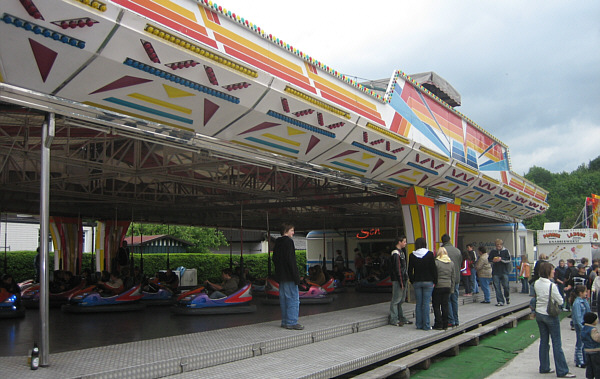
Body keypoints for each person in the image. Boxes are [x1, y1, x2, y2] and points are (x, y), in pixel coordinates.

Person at [534, 261, 575, 377]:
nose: (554, 272)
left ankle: (544, 367)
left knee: (544, 341)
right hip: (550, 315)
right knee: (557, 343)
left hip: (539, 313)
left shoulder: (537, 283)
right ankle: (562, 371)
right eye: (552, 270)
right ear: (548, 271)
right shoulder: (552, 285)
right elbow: (561, 301)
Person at [272, 223, 303, 330]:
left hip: (281, 276)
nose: (293, 233)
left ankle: (285, 321)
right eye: (292, 230)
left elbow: (274, 259)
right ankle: (292, 321)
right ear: (286, 230)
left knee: (284, 299)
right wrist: (296, 277)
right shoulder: (289, 242)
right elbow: (291, 261)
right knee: (293, 299)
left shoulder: (278, 242)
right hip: (289, 276)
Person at [408, 237, 437, 330]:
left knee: (419, 304)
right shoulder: (430, 254)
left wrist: (412, 280)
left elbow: (409, 271)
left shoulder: (412, 255)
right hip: (428, 282)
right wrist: (435, 281)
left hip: (417, 282)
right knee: (426, 304)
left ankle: (419, 324)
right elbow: (434, 269)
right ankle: (426, 325)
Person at [389, 236, 412, 327]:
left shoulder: (402, 252)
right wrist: (401, 281)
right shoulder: (395, 253)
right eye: (404, 241)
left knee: (401, 299)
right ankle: (394, 319)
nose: (405, 243)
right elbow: (397, 268)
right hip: (398, 279)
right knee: (396, 299)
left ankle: (401, 317)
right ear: (399, 242)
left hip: (403, 278)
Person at [432, 247, 456, 330]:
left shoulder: (436, 263)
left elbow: (434, 275)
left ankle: (438, 323)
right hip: (447, 286)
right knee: (445, 305)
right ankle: (445, 324)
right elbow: (453, 277)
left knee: (436, 305)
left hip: (438, 286)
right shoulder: (451, 263)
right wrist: (452, 288)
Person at [441, 234, 462, 327]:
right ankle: (456, 320)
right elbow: (460, 264)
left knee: (447, 300)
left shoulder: (442, 251)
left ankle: (451, 320)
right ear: (449, 240)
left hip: (446, 279)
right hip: (456, 278)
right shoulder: (457, 251)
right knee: (455, 300)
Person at [571, 284, 591, 368]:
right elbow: (578, 316)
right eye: (585, 292)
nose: (586, 293)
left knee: (584, 343)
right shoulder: (577, 303)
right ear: (580, 293)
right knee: (580, 343)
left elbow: (588, 311)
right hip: (580, 325)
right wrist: (581, 327)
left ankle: (584, 359)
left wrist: (586, 300)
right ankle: (579, 361)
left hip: (584, 324)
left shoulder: (583, 301)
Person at [488, 239, 512, 306]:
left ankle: (507, 296)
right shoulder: (493, 251)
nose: (498, 247)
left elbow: (509, 260)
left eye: (499, 245)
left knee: (506, 286)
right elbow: (489, 260)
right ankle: (500, 301)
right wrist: (493, 260)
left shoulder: (506, 251)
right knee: (497, 287)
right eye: (497, 245)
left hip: (504, 271)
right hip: (495, 272)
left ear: (502, 245)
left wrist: (501, 259)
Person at [581, 312, 600, 379]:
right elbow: (596, 339)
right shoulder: (593, 330)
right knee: (597, 366)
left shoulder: (583, 329)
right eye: (596, 319)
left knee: (589, 366)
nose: (597, 321)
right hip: (595, 351)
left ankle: (589, 376)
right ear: (592, 321)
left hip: (586, 350)